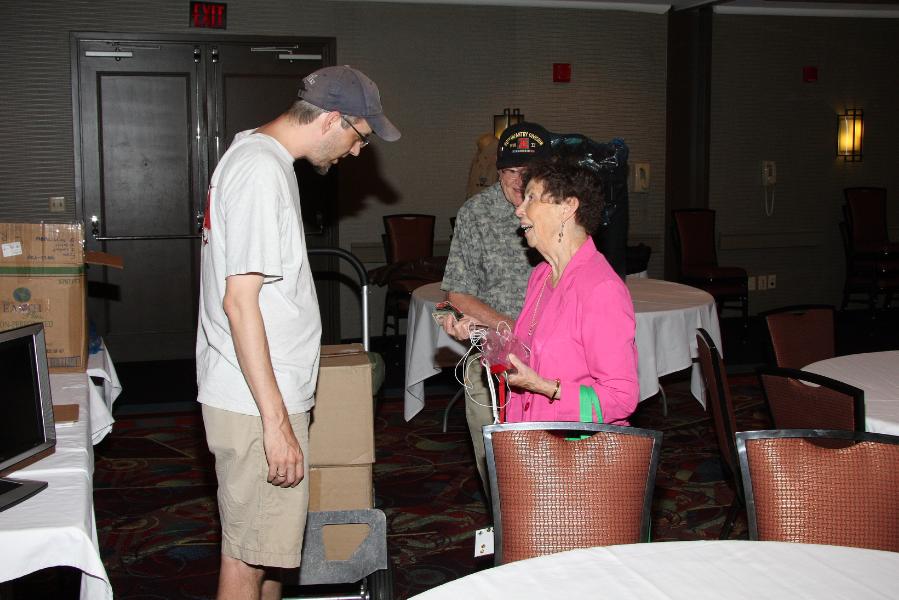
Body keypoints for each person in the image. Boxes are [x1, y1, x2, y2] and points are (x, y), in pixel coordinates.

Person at [196, 65, 399, 600]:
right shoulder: (260, 170)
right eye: (359, 136)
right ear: (331, 118)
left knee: (270, 557)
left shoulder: (261, 158)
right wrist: (276, 423)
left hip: (261, 395)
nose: (358, 151)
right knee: (247, 559)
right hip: (255, 402)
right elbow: (240, 304)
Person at [446, 156, 639, 424]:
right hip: (532, 435)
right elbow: (529, 352)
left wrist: (543, 386)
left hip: (573, 444)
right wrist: (481, 332)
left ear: (567, 207)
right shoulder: (542, 274)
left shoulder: (601, 290)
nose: (519, 210)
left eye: (531, 198)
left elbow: (621, 398)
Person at [440, 121, 549, 496]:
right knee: (499, 472)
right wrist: (515, 328)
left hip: (556, 357)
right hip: (494, 360)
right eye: (511, 171)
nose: (519, 182)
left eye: (529, 172)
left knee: (554, 468)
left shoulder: (561, 212)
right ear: (498, 171)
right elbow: (457, 294)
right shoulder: (476, 214)